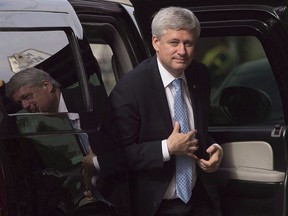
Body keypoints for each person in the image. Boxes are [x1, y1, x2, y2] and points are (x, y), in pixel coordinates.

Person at [109, 6, 223, 216]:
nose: (182, 51)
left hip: (198, 201)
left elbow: (201, 129)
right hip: (156, 207)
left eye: (188, 43)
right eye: (174, 42)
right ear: (156, 42)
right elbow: (117, 155)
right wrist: (166, 148)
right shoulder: (131, 88)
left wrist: (214, 148)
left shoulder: (199, 74)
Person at [5, 67, 130, 216]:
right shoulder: (68, 115)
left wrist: (96, 164)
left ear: (47, 85)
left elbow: (128, 151)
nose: (25, 106)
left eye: (27, 97)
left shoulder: (89, 100)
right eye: (20, 103)